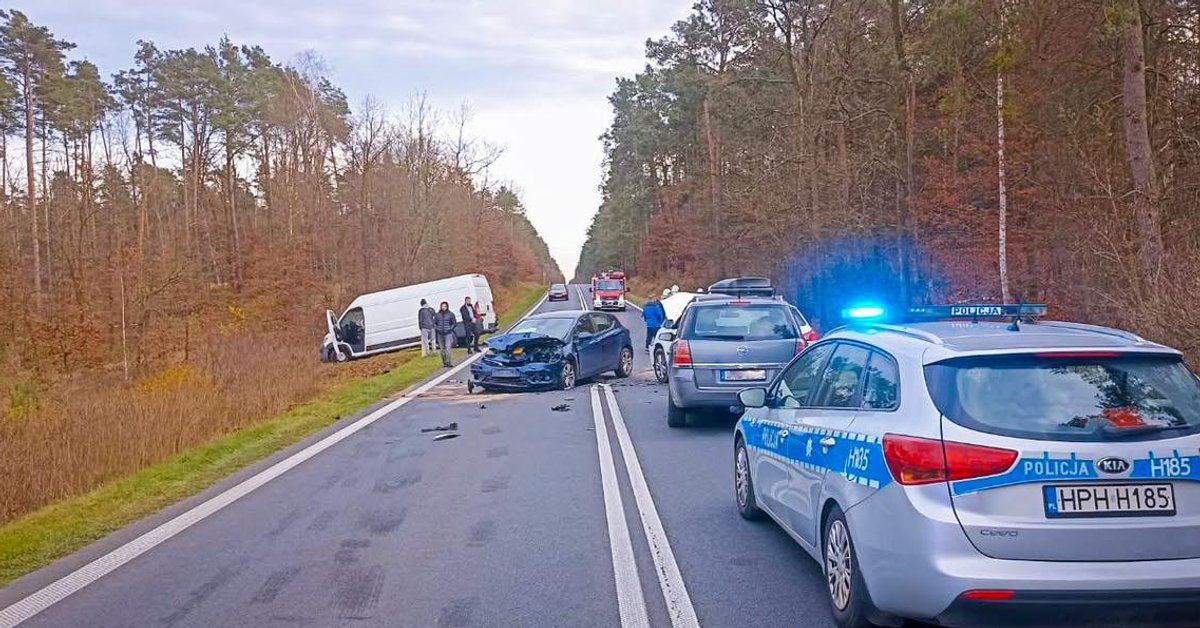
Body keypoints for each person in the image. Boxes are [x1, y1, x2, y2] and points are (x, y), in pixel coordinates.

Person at [434, 301, 458, 367]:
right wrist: (437, 328)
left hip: (448, 334)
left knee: (448, 348)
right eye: (442, 306)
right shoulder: (437, 315)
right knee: (442, 349)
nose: (443, 307)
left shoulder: (451, 314)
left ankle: (449, 362)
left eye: (445, 306)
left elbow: (454, 323)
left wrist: (450, 329)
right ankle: (444, 362)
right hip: (440, 334)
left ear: (447, 307)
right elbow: (434, 323)